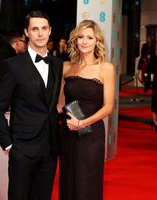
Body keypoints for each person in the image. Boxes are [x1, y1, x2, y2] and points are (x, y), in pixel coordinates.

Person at [0, 11, 63, 200]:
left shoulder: (57, 64)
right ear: (26, 32)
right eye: (35, 29)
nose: (40, 33)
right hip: (22, 148)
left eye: (44, 28)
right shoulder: (13, 65)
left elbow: (52, 104)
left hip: (49, 147)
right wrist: (8, 144)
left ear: (50, 31)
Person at [57, 19, 115, 200]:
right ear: (75, 40)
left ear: (97, 41)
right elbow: (59, 103)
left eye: (89, 37)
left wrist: (82, 123)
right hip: (68, 132)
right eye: (80, 37)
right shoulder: (66, 66)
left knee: (88, 180)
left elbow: (108, 107)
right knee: (68, 178)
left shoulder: (105, 68)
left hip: (92, 133)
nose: (84, 41)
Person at [146, 44, 157, 131]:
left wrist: (150, 80)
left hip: (156, 83)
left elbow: (150, 69)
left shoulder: (155, 59)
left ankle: (155, 122)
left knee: (155, 104)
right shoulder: (156, 58)